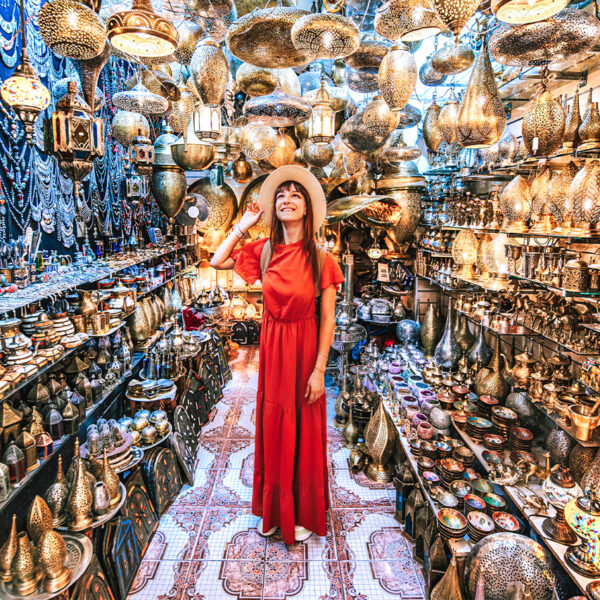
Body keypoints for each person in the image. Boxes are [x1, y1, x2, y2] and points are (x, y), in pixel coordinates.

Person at [211, 165, 344, 544]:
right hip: (273, 353)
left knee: (303, 430)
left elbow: (329, 322)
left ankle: (299, 512)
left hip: (305, 353)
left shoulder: (322, 259)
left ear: (307, 209)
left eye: (296, 195)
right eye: (281, 194)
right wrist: (245, 224)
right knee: (273, 427)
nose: (287, 199)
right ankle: (273, 511)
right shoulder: (264, 250)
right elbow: (218, 261)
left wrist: (319, 370)